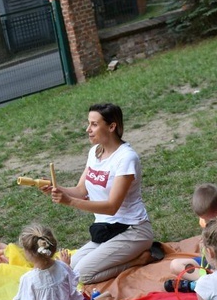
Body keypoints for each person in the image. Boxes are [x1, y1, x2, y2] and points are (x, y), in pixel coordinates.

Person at [45, 103, 161, 284]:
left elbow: (112, 207)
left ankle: (139, 259)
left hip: (133, 230)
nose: (87, 130)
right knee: (68, 268)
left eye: (94, 124)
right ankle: (130, 257)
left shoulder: (126, 158)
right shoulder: (94, 152)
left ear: (112, 126)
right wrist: (55, 188)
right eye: (88, 124)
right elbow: (81, 190)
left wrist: (69, 202)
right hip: (107, 232)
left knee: (81, 275)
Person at [14, 224, 84, 300]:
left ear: (27, 252)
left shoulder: (28, 279)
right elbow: (73, 287)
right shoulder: (63, 267)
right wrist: (67, 265)